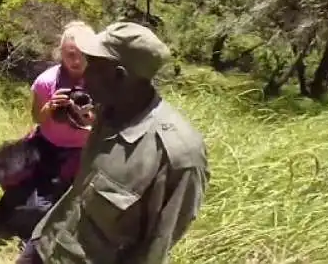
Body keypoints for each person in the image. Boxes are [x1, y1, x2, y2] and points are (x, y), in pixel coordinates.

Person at [18, 22, 210, 264]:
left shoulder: (178, 156)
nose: (84, 77)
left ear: (119, 76)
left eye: (93, 66)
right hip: (47, 242)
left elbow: (155, 249)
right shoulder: (109, 112)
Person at [0, 21, 95, 238]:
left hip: (79, 152)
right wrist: (49, 107)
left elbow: (111, 123)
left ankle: (38, 221)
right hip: (44, 143)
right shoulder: (47, 81)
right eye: (70, 54)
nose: (76, 60)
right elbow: (36, 117)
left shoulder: (102, 83)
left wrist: (89, 117)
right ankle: (13, 206)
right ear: (61, 53)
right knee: (8, 173)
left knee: (41, 206)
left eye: (82, 54)